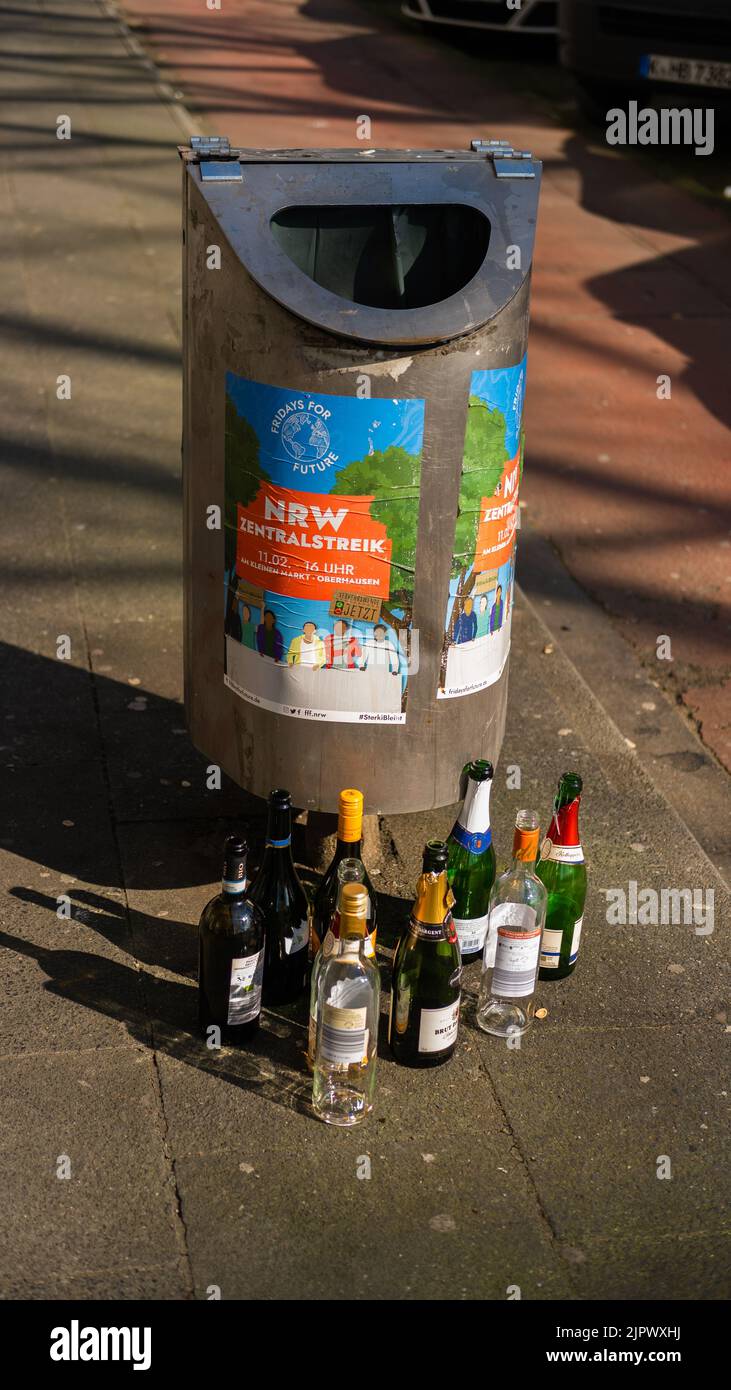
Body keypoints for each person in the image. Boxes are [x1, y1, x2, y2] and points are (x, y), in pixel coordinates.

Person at [224, 578, 242, 643]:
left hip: (236, 639)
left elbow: (239, 629)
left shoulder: (237, 616)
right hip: (230, 638)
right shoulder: (230, 613)